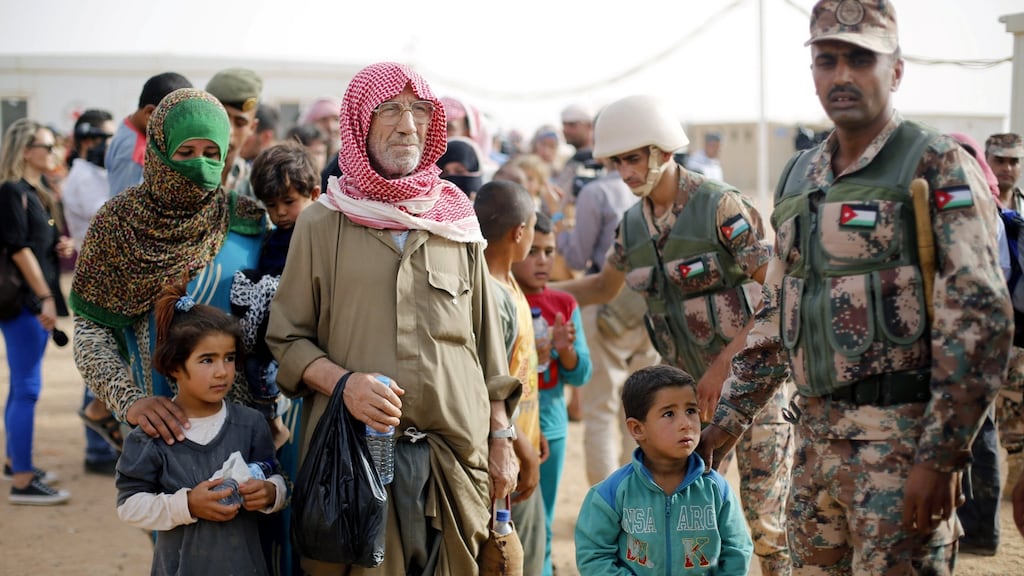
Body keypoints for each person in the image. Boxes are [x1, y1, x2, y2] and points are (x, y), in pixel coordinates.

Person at [698, 1, 1013, 572]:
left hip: (903, 454)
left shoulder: (934, 164)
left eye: (861, 59)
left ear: (896, 70)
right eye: (827, 60)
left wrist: (941, 457)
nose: (842, 74)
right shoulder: (801, 175)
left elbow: (980, 319)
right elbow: (778, 313)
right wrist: (728, 420)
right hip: (814, 452)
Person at [265, 61, 520, 576]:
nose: (408, 125)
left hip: (457, 459)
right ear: (361, 122)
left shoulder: (456, 220)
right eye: (391, 110)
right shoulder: (323, 222)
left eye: (419, 110)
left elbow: (490, 353)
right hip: (357, 463)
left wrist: (501, 441)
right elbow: (287, 339)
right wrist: (345, 385)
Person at [553, 93, 794, 575]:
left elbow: (779, 291)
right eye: (616, 162)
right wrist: (529, 292)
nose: (624, 172)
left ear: (663, 150)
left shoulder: (719, 206)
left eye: (633, 158)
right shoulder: (632, 226)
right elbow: (603, 286)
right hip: (691, 404)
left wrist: (724, 363)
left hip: (752, 389)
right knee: (690, 523)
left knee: (765, 524)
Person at [71, 86, 266, 449]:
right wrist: (129, 401)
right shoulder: (118, 224)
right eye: (186, 152)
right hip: (160, 435)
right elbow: (90, 332)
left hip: (246, 433)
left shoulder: (247, 220)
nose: (200, 165)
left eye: (211, 153)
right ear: (159, 150)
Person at [116, 280, 287, 576]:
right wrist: (187, 505)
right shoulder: (152, 436)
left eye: (229, 358)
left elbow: (274, 473)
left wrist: (271, 493)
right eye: (207, 360)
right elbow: (129, 506)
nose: (222, 372)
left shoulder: (250, 424)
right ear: (174, 367)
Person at [575, 364, 753, 574]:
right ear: (637, 429)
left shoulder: (716, 490)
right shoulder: (612, 493)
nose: (686, 423)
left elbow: (737, 550)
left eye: (691, 411)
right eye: (669, 414)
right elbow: (594, 555)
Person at [557, 168, 659, 482]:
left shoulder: (596, 193)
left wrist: (560, 222)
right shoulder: (657, 189)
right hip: (651, 305)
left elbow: (576, 259)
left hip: (606, 301)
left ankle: (608, 501)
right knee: (642, 409)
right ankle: (638, 495)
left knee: (601, 408)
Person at [510, 210, 592, 576]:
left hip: (551, 425)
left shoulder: (564, 304)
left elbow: (581, 373)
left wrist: (565, 349)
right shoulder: (501, 297)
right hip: (508, 425)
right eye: (533, 251)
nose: (542, 260)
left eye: (549, 251)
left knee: (541, 518)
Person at [0, 118, 74, 505]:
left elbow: (39, 243)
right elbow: (18, 248)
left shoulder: (37, 192)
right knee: (27, 389)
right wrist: (45, 296)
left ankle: (16, 462)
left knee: (20, 387)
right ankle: (23, 481)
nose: (55, 152)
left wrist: (61, 247)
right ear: (26, 150)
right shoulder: (12, 191)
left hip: (33, 299)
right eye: (48, 146)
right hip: (25, 302)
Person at [230, 140, 321, 450]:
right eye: (271, 205)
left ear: (314, 195)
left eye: (288, 202)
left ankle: (275, 425)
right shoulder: (272, 236)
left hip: (297, 330)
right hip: (267, 324)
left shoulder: (316, 234)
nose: (280, 212)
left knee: (262, 370)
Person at [475, 179, 544, 575]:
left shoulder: (508, 281)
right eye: (532, 229)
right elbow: (492, 388)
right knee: (515, 558)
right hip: (508, 455)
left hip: (525, 441)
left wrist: (536, 434)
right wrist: (524, 449)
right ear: (519, 232)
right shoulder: (492, 295)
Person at [62, 108, 125, 474]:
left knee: (110, 357)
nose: (110, 145)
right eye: (105, 138)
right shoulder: (82, 178)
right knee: (99, 359)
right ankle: (98, 451)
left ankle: (103, 445)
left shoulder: (94, 173)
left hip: (105, 274)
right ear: (88, 140)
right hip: (97, 277)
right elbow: (109, 212)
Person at [106, 71, 192, 197]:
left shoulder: (128, 127)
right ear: (150, 113)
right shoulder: (136, 152)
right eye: (174, 123)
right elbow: (124, 203)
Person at [205, 68, 263, 199]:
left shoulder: (255, 185)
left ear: (252, 127)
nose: (229, 130)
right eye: (221, 119)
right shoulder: (184, 176)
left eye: (240, 123)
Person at [988, 133, 1023, 213]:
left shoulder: (1021, 201)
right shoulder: (976, 202)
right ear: (986, 162)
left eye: (1013, 162)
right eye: (1000, 161)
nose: (1007, 169)